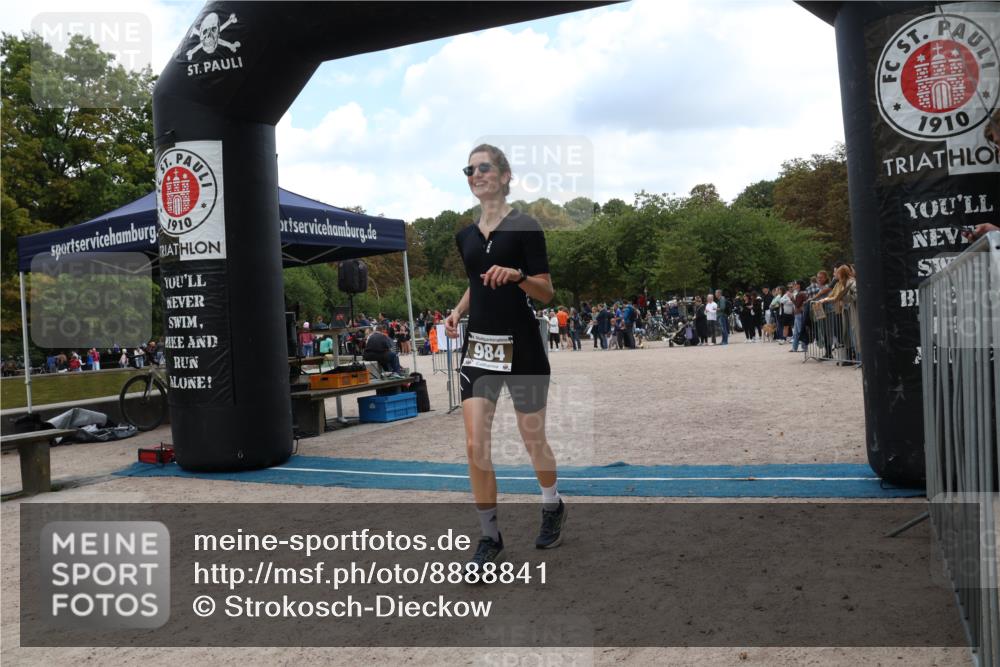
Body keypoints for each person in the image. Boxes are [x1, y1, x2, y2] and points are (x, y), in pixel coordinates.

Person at [445, 142, 565, 576]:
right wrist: (459, 311)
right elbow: (477, 285)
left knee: (533, 439)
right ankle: (489, 536)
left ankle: (552, 505)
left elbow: (547, 292)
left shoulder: (527, 227)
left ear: (505, 175)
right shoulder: (465, 236)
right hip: (480, 348)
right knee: (476, 443)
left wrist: (518, 276)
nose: (475, 174)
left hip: (524, 347)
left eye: (484, 167)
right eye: (469, 169)